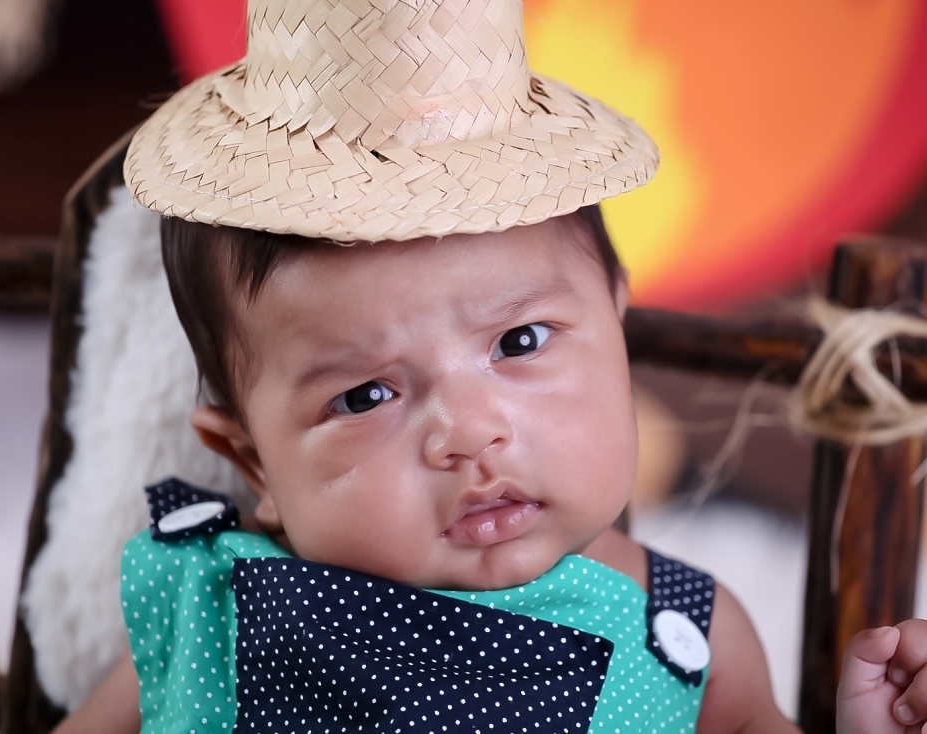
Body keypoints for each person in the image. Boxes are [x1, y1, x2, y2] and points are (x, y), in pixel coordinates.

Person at [58, 0, 927, 731]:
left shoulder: (687, 632)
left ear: (615, 329)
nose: (470, 434)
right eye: (366, 395)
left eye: (519, 343)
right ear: (254, 463)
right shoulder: (219, 601)